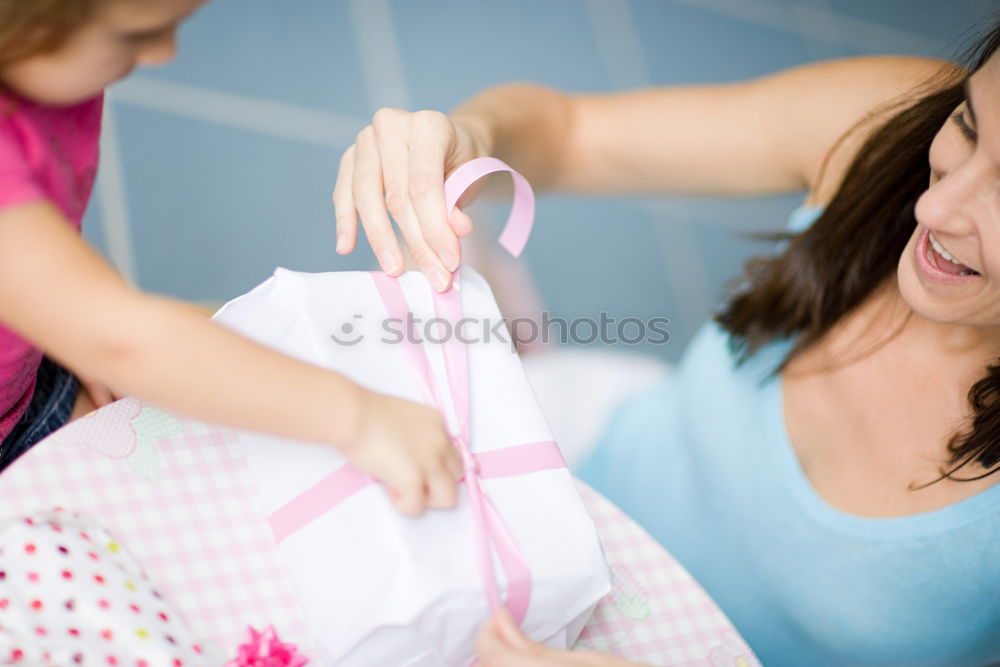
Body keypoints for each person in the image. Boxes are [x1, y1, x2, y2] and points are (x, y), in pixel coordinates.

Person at [335, 18, 1000, 666]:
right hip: (586, 467)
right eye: (968, 128)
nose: (931, 208)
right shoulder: (888, 123)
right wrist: (471, 139)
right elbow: (567, 135)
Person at [0, 0, 464, 518]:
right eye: (134, 37)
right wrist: (358, 415)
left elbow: (37, 228)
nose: (163, 53)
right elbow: (124, 341)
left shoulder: (42, 67)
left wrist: (67, 317)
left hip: (23, 376)